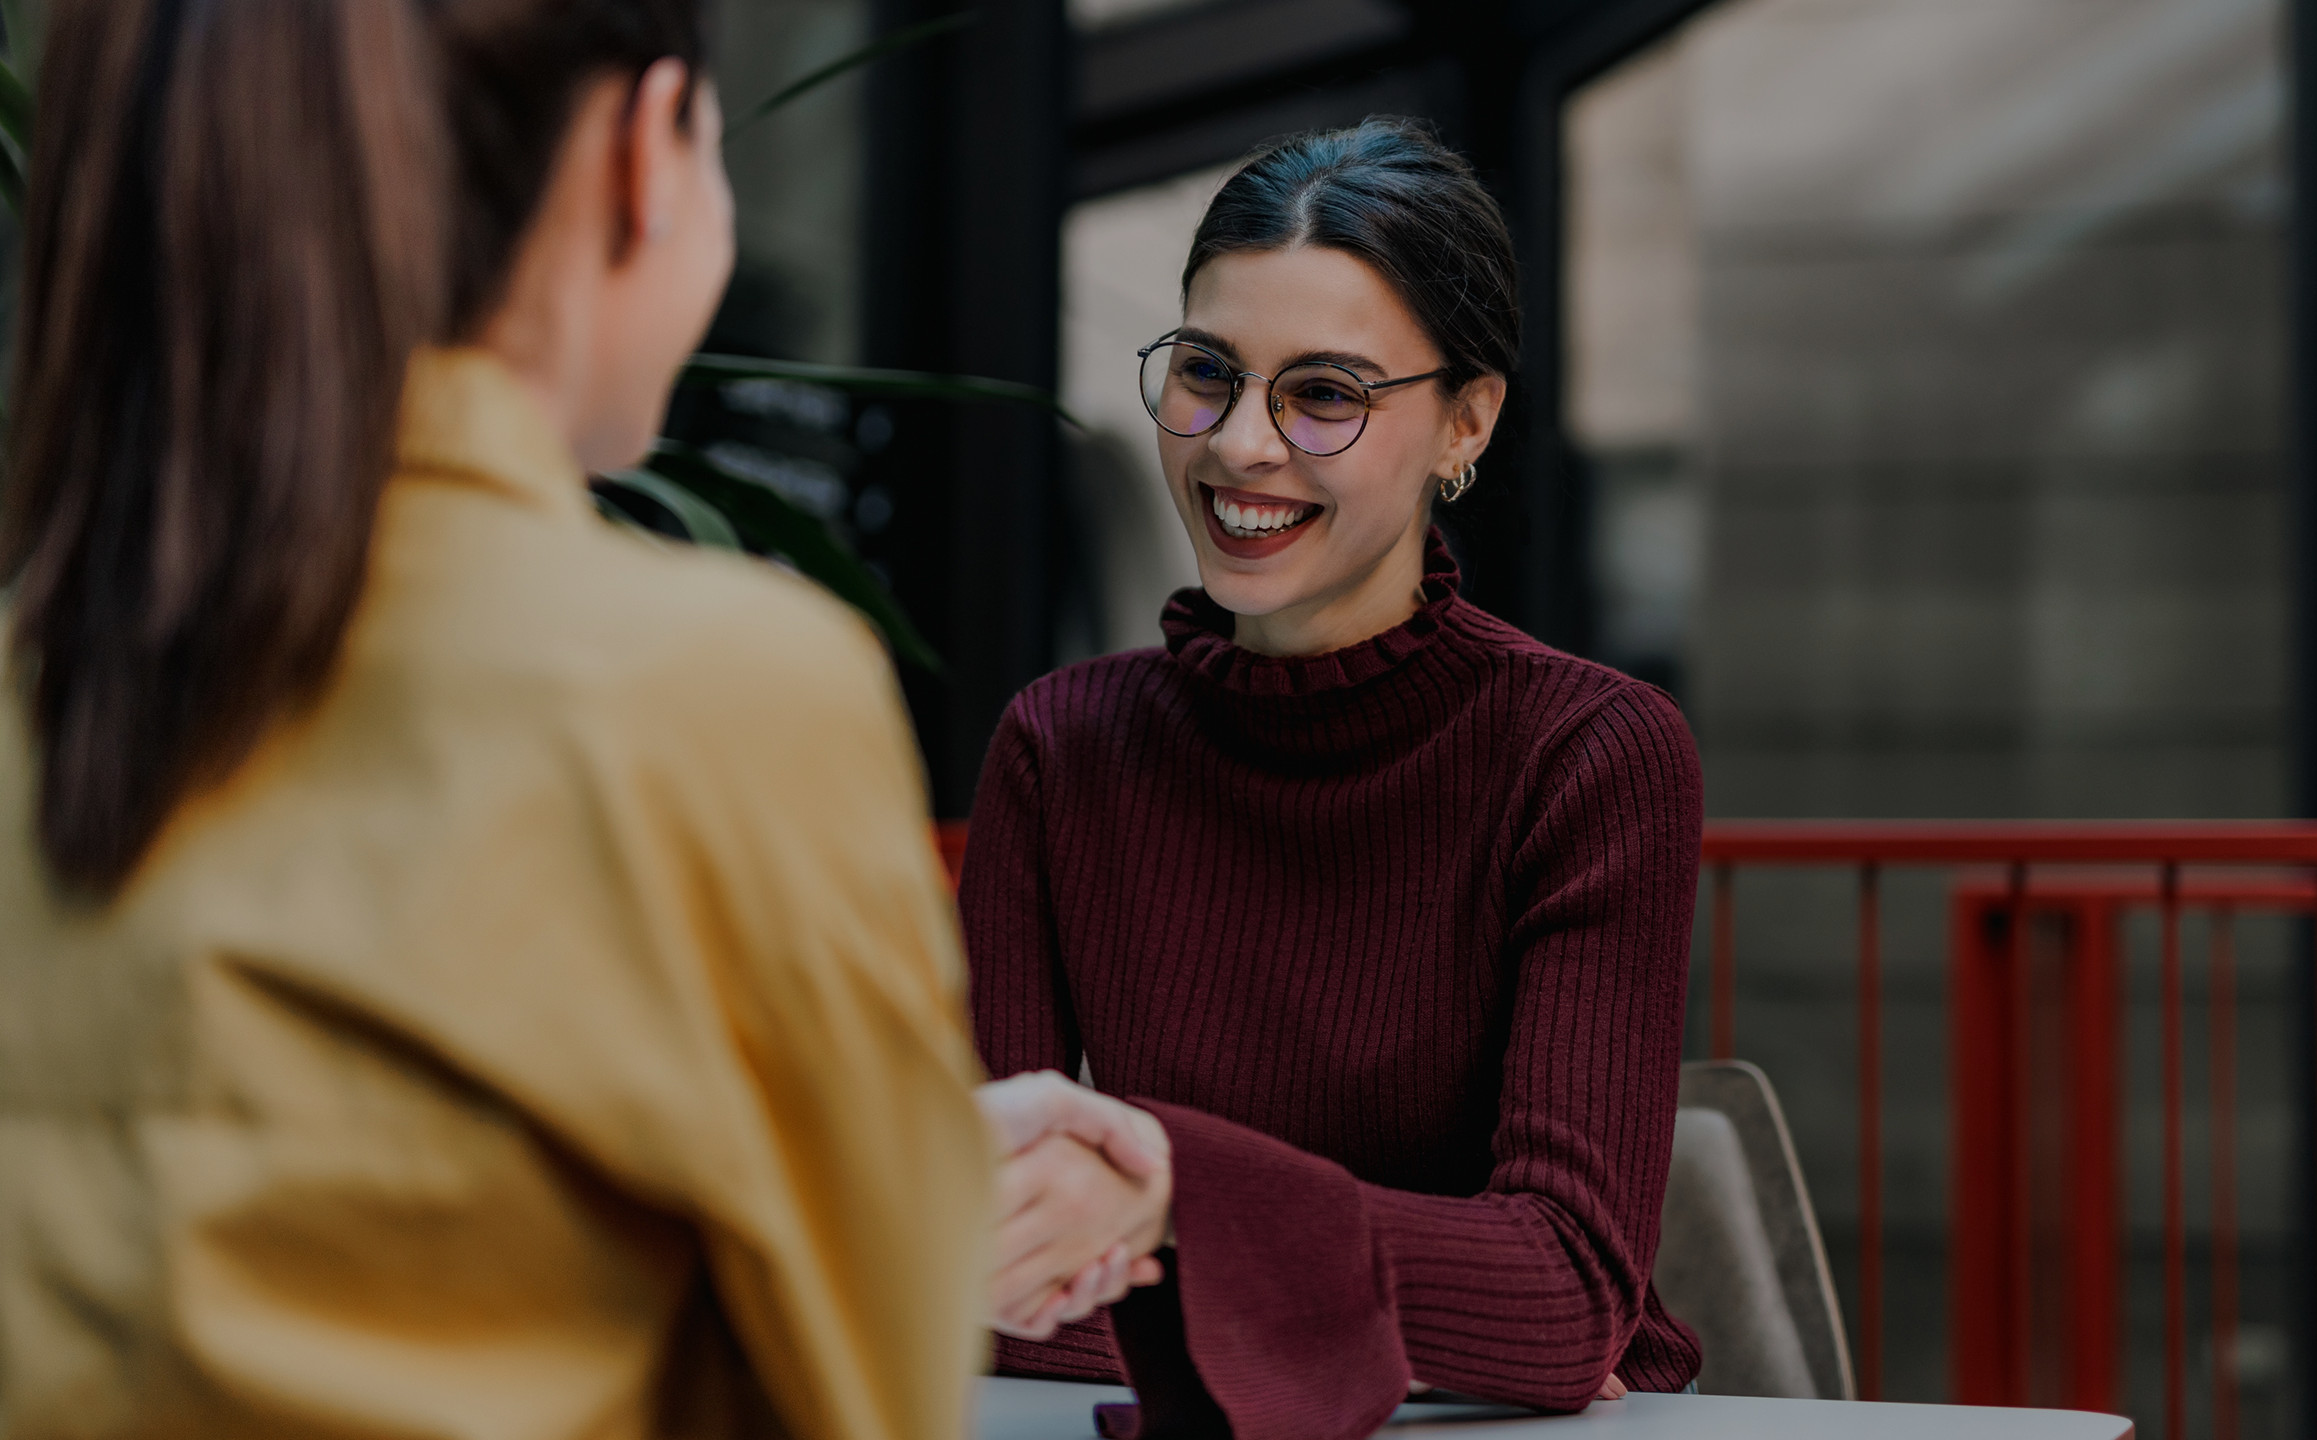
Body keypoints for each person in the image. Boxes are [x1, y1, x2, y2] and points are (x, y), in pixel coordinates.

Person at [0, 1, 1161, 1435]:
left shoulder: (36, 683)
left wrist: (901, 1160)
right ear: (642, 155)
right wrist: (903, 1204)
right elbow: (862, 1394)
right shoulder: (720, 691)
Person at [962, 118, 1707, 1440]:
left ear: (1465, 422)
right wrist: (1412, 1318)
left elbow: (1562, 1299)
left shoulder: (1590, 756)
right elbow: (972, 1262)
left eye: (1324, 394)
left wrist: (1163, 1207)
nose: (1240, 445)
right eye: (1206, 373)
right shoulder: (1058, 748)